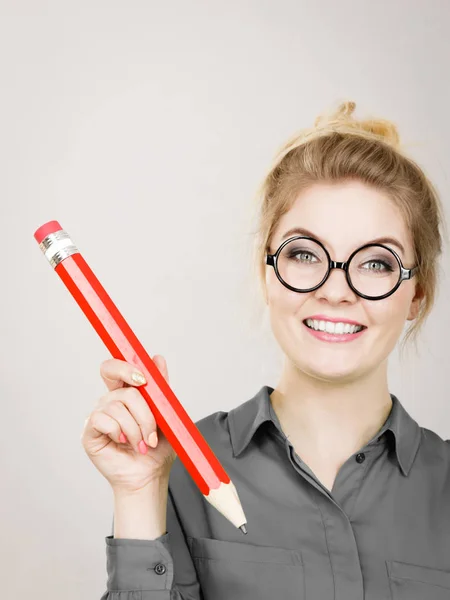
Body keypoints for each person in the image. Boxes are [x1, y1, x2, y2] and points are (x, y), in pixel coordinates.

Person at [82, 101, 450, 600]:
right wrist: (137, 492)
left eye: (376, 263)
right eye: (304, 254)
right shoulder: (179, 470)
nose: (336, 291)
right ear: (267, 273)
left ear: (417, 293)